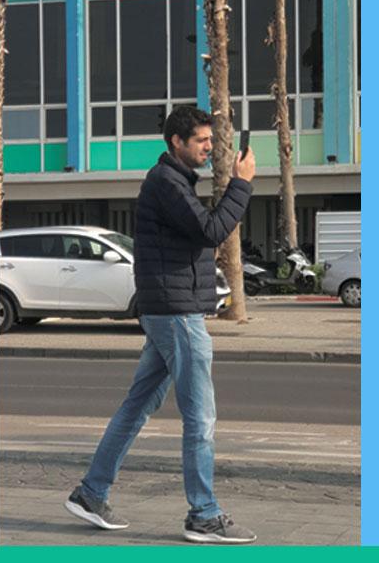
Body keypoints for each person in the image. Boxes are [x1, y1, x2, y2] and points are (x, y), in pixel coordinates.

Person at [65, 106, 256, 544]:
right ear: (176, 142)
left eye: (211, 139)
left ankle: (91, 493)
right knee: (200, 417)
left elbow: (198, 234)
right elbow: (211, 230)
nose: (209, 147)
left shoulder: (174, 182)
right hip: (176, 314)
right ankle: (203, 514)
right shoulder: (167, 183)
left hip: (168, 309)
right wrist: (242, 184)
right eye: (201, 140)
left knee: (137, 406)